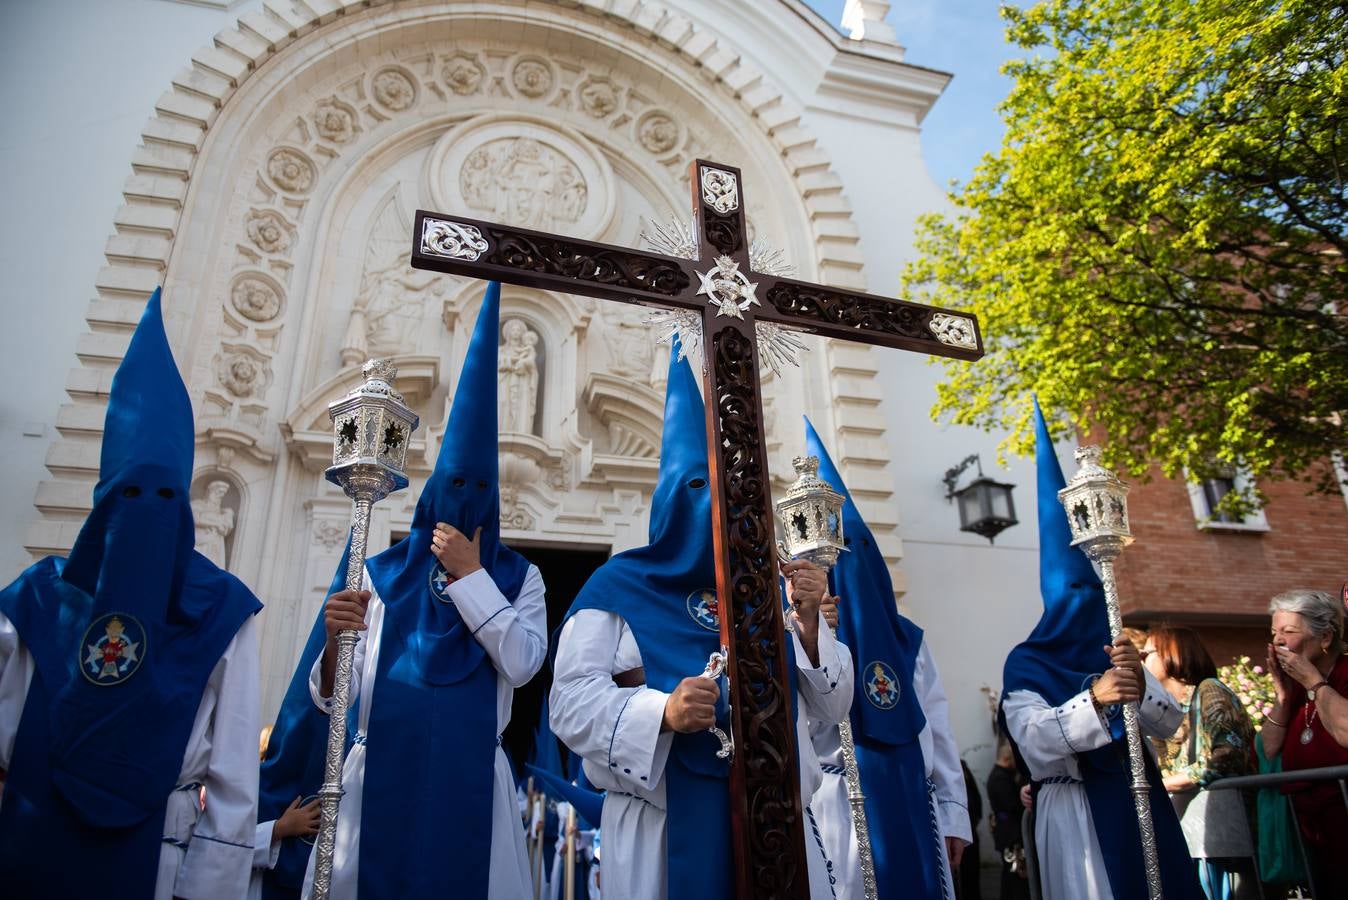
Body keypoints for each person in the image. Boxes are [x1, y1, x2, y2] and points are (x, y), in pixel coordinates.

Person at [549, 346, 853, 900]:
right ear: (666, 501)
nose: (714, 504)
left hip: (776, 823)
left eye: (727, 490)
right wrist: (658, 711)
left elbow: (832, 710)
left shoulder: (762, 591)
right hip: (659, 836)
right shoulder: (616, 589)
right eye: (696, 487)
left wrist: (809, 623)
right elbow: (568, 705)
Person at [287, 282, 548, 899]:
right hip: (379, 772)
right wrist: (331, 643)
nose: (465, 498)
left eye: (478, 487)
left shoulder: (521, 576)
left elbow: (524, 662)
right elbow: (331, 703)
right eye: (454, 483)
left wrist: (473, 577)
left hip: (472, 778)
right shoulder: (378, 572)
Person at [0, 288, 264, 898]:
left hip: (157, 862)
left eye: (164, 500)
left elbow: (233, 778)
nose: (147, 515)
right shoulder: (37, 598)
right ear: (102, 506)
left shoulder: (223, 610)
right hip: (30, 830)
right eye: (129, 498)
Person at [1000, 400, 1203, 900]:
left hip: (1140, 800)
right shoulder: (1026, 662)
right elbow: (1032, 738)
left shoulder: (1113, 649)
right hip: (1074, 813)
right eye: (1075, 599)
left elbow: (1171, 723)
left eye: (1091, 597)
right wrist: (1096, 699)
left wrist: (1136, 679)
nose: (1085, 608)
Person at [801, 418, 972, 900]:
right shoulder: (801, 630)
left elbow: (938, 725)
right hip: (834, 800)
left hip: (914, 801)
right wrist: (815, 634)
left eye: (859, 550)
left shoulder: (909, 641)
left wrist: (954, 812)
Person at [1142, 626, 1257, 898]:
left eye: (1147, 653)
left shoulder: (1210, 690)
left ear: (1172, 653)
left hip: (1227, 835)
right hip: (1195, 834)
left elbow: (1224, 757)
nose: (1142, 660)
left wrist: (1162, 784)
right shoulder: (1167, 705)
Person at [1259, 588, 1348, 894]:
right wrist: (1283, 697)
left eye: (1289, 631)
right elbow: (1269, 749)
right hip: (1311, 831)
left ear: (1324, 638)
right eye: (1274, 632)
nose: (1278, 641)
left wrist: (1313, 680)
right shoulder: (1294, 688)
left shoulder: (1343, 673)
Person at [987, 742, 1031, 900]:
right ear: (1006, 759)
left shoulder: (1001, 776)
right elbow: (1012, 805)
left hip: (1008, 831)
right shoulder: (1000, 778)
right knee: (1014, 875)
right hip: (1009, 834)